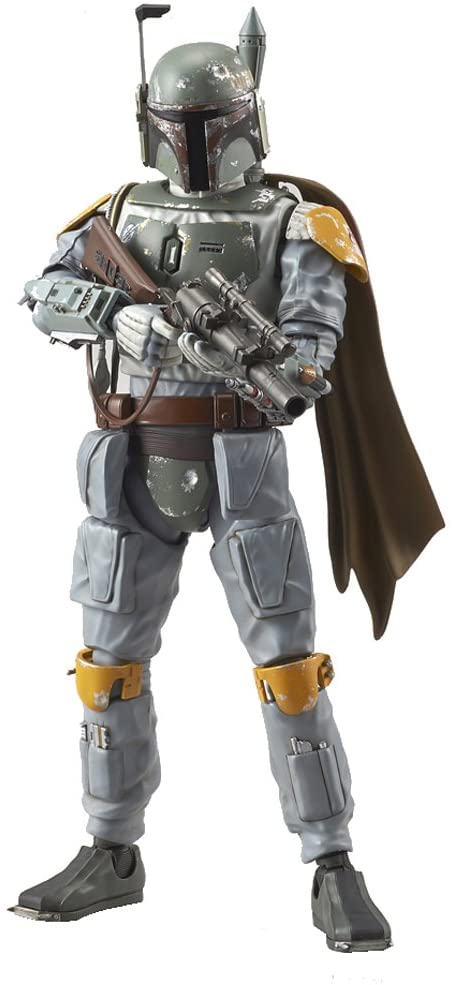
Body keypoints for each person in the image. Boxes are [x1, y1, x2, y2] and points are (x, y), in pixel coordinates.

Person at [10, 8, 442, 951]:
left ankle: (332, 860)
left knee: (290, 671)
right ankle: (111, 849)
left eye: (210, 128)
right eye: (184, 130)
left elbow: (313, 357)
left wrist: (256, 359)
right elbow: (41, 295)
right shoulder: (118, 214)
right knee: (106, 669)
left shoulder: (298, 223)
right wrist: (116, 316)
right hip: (131, 462)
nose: (199, 148)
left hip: (244, 463)